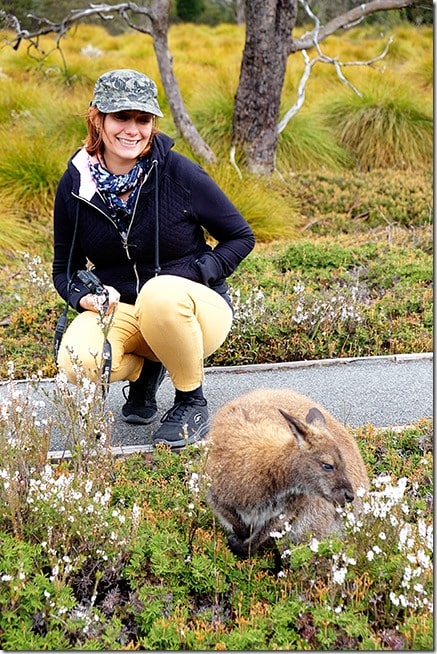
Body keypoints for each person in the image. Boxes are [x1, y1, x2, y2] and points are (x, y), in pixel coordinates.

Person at [52, 68, 255, 449]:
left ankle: (190, 400)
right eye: (121, 117)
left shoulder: (179, 173)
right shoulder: (75, 185)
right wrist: (84, 298)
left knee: (160, 294)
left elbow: (240, 236)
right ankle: (146, 368)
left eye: (142, 119)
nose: (132, 129)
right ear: (98, 118)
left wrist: (201, 272)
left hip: (192, 312)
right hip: (126, 312)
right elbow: (66, 268)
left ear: (153, 124)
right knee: (78, 358)